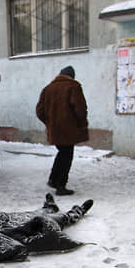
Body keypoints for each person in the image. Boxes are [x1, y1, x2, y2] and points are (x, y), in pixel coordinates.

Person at [35, 65, 88, 196]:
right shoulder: (73, 87)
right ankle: (61, 185)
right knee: (66, 156)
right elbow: (80, 109)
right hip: (69, 129)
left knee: (62, 153)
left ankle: (53, 180)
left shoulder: (47, 89)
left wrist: (49, 122)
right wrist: (81, 124)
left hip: (55, 130)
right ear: (71, 76)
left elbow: (39, 111)